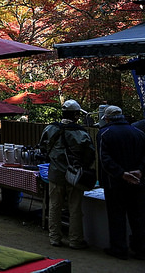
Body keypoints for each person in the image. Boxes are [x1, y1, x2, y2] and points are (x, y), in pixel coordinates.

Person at [38, 99, 95, 249]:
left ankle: (54, 238)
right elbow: (90, 155)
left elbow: (42, 147)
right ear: (76, 115)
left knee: (54, 206)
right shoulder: (81, 133)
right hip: (75, 176)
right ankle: (75, 240)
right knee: (75, 208)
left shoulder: (50, 129)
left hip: (55, 174)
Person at [97, 105, 145, 260]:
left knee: (117, 216)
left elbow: (105, 160)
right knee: (137, 216)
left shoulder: (104, 133)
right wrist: (139, 170)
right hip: (137, 182)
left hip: (114, 183)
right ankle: (140, 249)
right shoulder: (138, 133)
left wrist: (121, 174)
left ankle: (119, 248)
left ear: (107, 118)